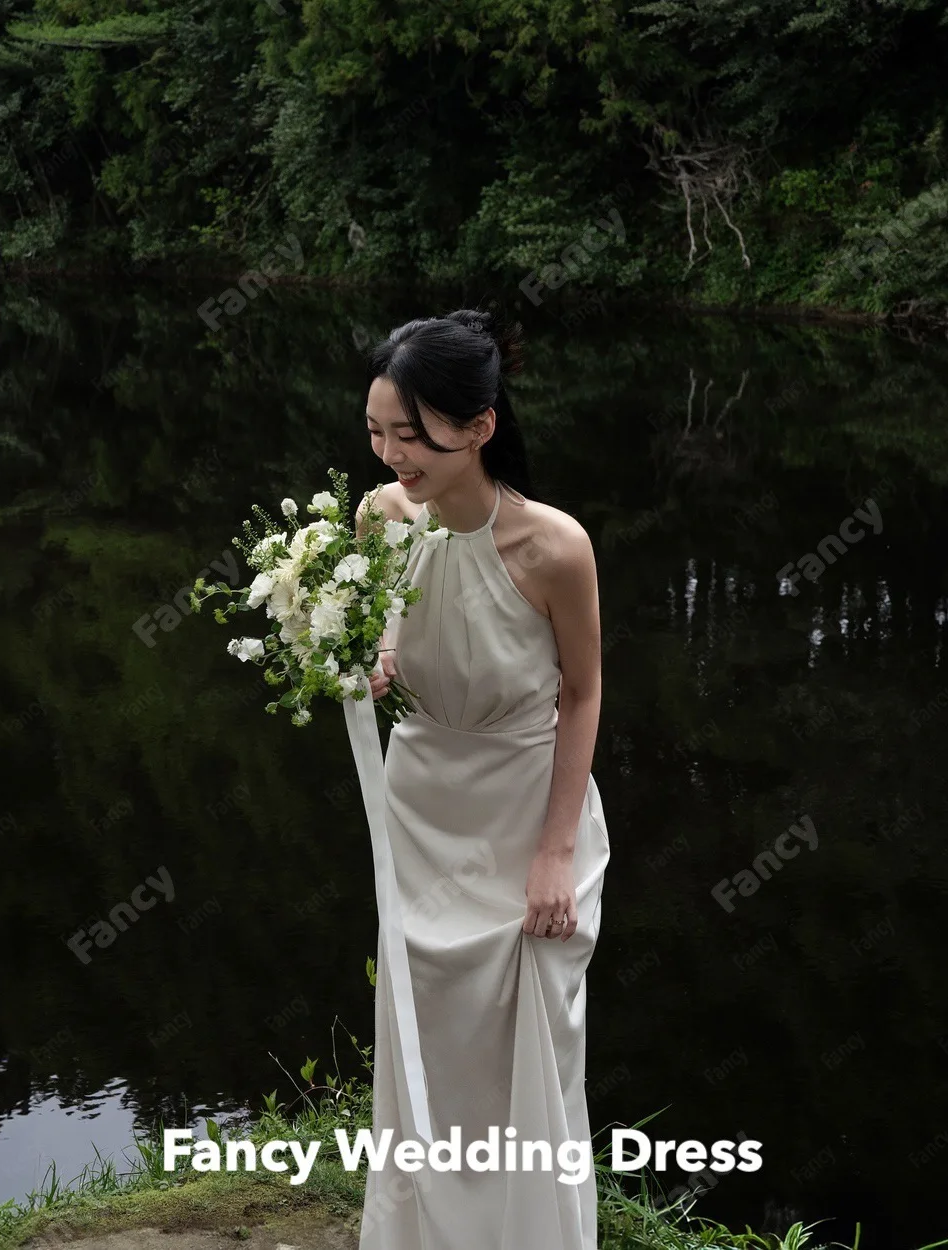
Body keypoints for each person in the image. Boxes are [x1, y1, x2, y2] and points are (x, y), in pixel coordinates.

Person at [354, 307, 610, 1250]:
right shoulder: (382, 518)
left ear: (481, 427)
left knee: (534, 1040)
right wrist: (375, 657)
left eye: (412, 436)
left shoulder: (554, 548)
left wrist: (555, 853)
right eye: (378, 431)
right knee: (425, 1040)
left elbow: (581, 696)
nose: (392, 457)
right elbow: (387, 625)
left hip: (530, 809)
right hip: (420, 803)